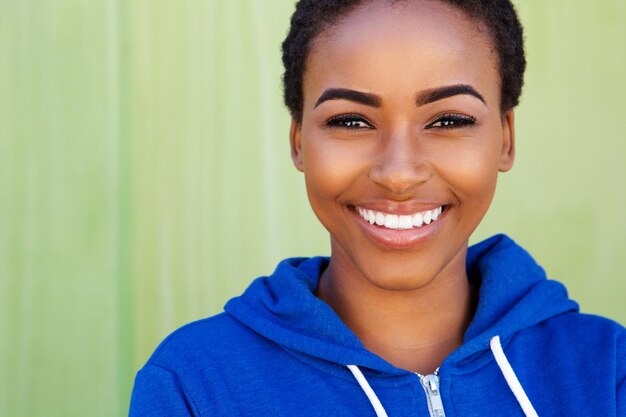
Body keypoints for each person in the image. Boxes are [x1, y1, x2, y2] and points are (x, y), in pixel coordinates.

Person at [129, 0, 626, 415]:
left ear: (506, 140)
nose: (399, 173)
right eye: (350, 122)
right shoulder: (195, 385)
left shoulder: (606, 373)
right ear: (299, 140)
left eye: (448, 120)